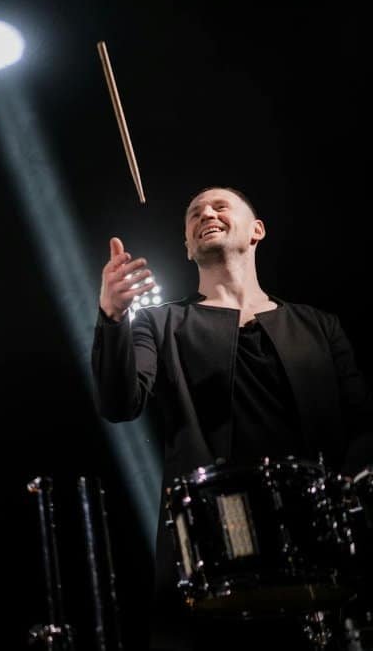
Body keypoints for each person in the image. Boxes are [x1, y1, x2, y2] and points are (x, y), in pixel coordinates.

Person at [92, 187, 373, 650]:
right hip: (213, 559)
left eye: (220, 206)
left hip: (316, 554)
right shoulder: (159, 323)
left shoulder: (319, 327)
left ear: (257, 230)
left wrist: (343, 509)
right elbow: (119, 404)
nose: (206, 212)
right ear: (187, 245)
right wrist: (112, 316)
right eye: (194, 213)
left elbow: (362, 426)